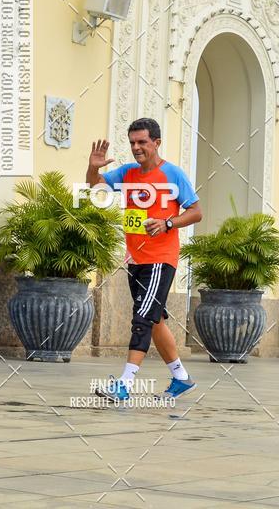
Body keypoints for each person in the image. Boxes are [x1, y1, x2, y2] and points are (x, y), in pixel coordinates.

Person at [86, 118, 202, 402]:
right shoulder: (127, 173)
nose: (136, 148)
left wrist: (168, 223)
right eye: (132, 143)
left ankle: (124, 385)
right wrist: (93, 167)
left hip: (161, 260)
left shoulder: (172, 174)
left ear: (157, 143)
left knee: (141, 319)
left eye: (142, 142)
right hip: (136, 260)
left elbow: (196, 211)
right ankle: (181, 377)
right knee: (155, 320)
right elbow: (95, 188)